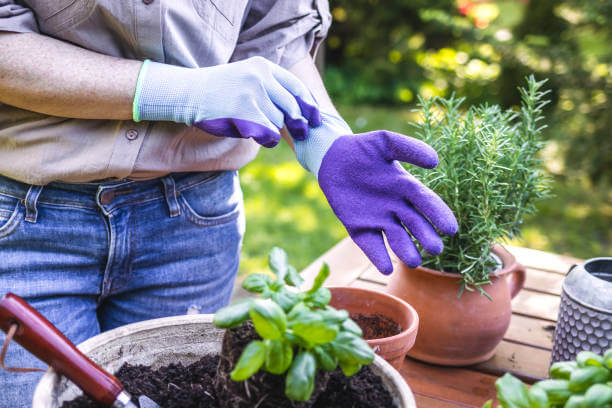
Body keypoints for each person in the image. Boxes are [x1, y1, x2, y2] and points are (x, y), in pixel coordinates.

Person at [0, 1, 458, 405]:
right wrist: (181, 92)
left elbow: (276, 29)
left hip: (192, 222)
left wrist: (322, 138)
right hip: (30, 222)